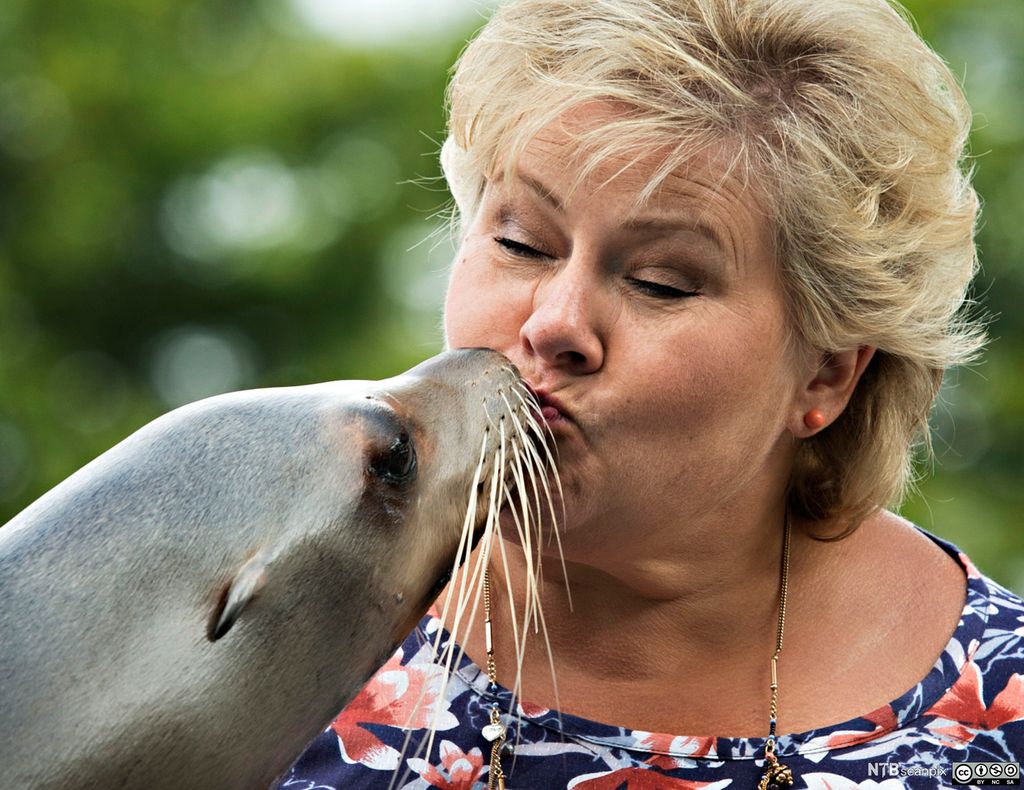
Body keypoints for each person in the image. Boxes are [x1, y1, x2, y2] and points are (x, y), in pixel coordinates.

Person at [277, 0, 1023, 787]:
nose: (554, 324)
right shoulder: (262, 620)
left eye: (661, 282)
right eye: (521, 242)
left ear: (827, 373)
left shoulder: (998, 724)